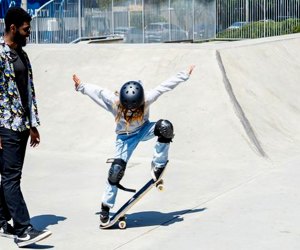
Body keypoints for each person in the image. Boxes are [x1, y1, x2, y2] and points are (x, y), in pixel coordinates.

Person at [73, 65, 195, 226]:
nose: (130, 114)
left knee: (165, 127)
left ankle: (158, 164)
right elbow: (98, 92)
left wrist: (184, 74)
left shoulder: (148, 98)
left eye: (135, 110)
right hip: (124, 139)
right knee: (116, 170)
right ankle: (105, 207)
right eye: (127, 111)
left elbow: (165, 86)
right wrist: (81, 86)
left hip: (144, 130)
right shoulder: (114, 102)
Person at [0, 7, 51, 247]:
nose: (28, 33)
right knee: (11, 178)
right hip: (5, 127)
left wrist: (32, 125)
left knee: (10, 176)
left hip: (21, 125)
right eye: (25, 29)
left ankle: (1, 221)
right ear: (13, 28)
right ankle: (23, 230)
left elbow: (26, 92)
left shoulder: (21, 54)